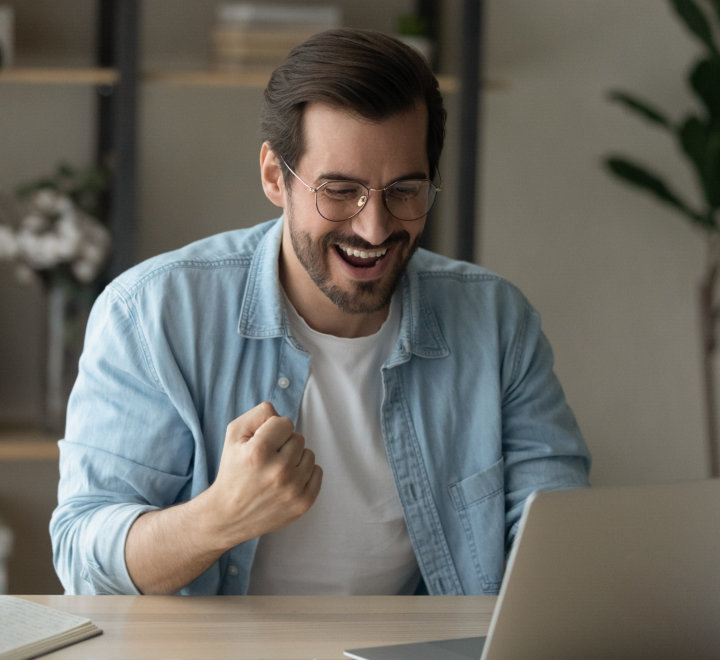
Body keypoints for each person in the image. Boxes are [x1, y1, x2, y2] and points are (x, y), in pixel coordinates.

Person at [50, 28, 590, 597]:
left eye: (404, 191)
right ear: (273, 176)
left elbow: (557, 535)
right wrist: (219, 517)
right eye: (339, 191)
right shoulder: (152, 314)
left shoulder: (497, 323)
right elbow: (83, 560)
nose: (374, 228)